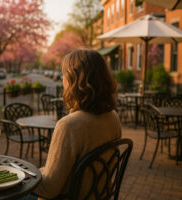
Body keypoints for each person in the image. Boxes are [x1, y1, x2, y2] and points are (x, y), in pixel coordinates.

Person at [23, 48, 121, 200]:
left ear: (75, 80)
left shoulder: (69, 125)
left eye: (64, 75)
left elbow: (49, 189)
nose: (62, 79)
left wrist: (22, 176)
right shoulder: (113, 117)